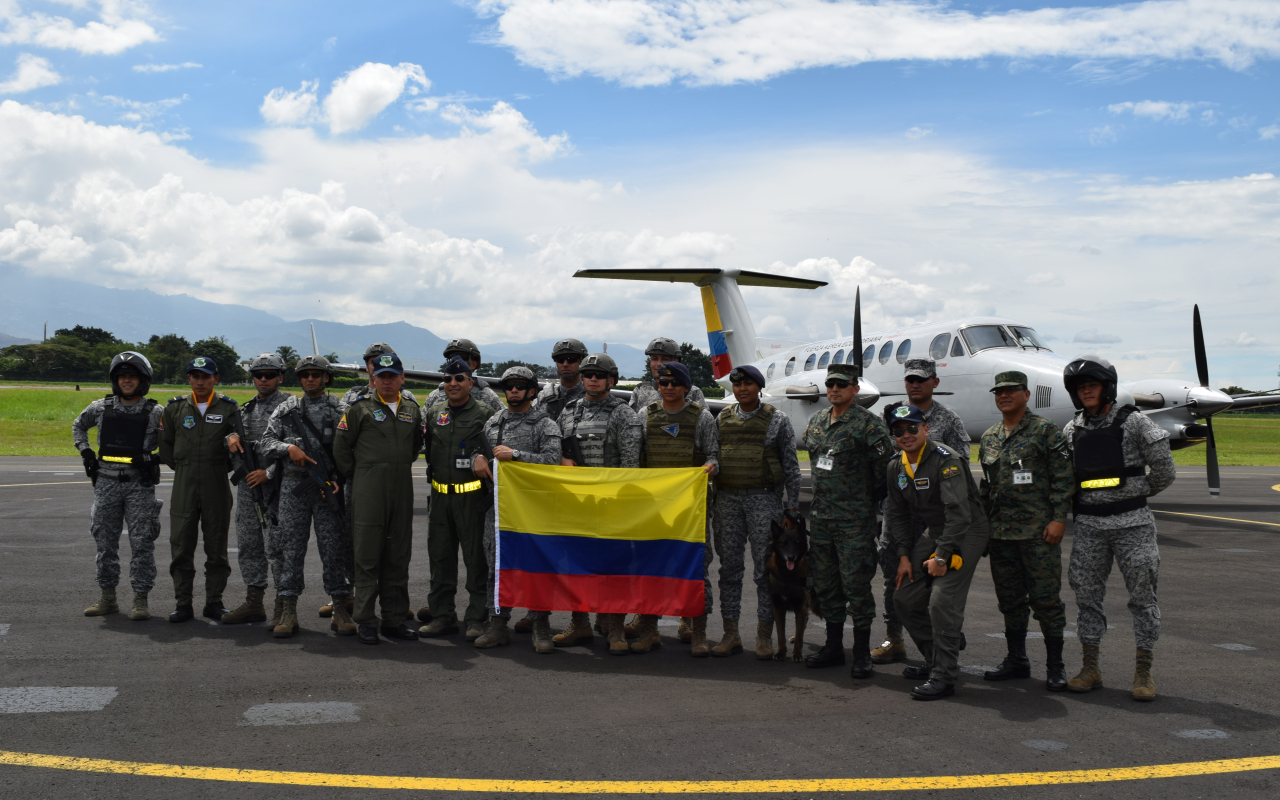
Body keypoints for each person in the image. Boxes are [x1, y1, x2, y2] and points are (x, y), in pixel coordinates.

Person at [1062, 355, 1175, 702]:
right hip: (1090, 528)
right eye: (1081, 388)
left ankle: (1143, 671)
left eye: (1092, 386)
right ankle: (1090, 668)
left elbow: (1164, 470)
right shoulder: (1071, 429)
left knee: (1142, 597)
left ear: (1107, 387)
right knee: (1086, 597)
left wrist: (1133, 493)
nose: (1086, 392)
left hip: (1133, 525)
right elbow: (1066, 478)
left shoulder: (1135, 423)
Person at [977, 371, 1075, 691]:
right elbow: (985, 487)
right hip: (1001, 535)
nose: (1004, 395)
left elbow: (1063, 478)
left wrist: (1059, 518)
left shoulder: (1045, 431)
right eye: (999, 391)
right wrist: (982, 529)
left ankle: (1055, 666)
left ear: (1026, 394)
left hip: (1038, 533)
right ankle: (1017, 659)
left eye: (1011, 390)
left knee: (1046, 601)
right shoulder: (990, 436)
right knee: (1010, 601)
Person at [887, 406, 991, 700]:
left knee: (942, 600)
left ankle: (944, 676)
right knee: (904, 598)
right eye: (898, 431)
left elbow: (959, 515)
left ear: (925, 429)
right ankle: (936, 658)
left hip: (968, 530)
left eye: (912, 428)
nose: (905, 435)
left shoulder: (947, 460)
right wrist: (905, 557)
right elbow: (897, 514)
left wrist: (942, 556)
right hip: (935, 530)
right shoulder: (896, 466)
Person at [874, 358, 970, 665]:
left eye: (922, 379)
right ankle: (894, 638)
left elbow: (962, 462)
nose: (915, 384)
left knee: (936, 580)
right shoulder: (891, 416)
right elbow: (882, 459)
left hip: (936, 517)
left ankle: (942, 641)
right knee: (895, 576)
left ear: (935, 382)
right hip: (899, 512)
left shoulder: (949, 419)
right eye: (910, 380)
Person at [802, 361, 893, 677]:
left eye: (842, 384)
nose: (835, 390)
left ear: (855, 388)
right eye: (831, 385)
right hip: (822, 520)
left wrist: (862, 503)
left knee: (856, 587)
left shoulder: (869, 425)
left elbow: (884, 472)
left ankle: (861, 654)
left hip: (854, 521)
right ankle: (833, 647)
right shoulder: (815, 422)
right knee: (827, 586)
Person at [258, 356, 353, 638]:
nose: (310, 379)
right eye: (305, 375)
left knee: (333, 549)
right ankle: (288, 610)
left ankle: (340, 608)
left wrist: (339, 480)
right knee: (290, 550)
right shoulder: (286, 409)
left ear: (326, 378)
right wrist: (288, 449)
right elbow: (265, 442)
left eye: (316, 374)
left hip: (327, 489)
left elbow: (351, 450)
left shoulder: (340, 410)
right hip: (293, 488)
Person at [470, 366, 562, 653]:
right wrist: (477, 459)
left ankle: (540, 626)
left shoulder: (544, 424)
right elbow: (478, 449)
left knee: (534, 567)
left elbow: (552, 461)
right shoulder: (494, 422)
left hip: (533, 509)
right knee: (496, 566)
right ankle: (498, 625)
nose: (513, 390)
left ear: (532, 391)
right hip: (498, 510)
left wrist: (517, 455)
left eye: (520, 386)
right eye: (509, 386)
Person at [554, 352, 641, 654]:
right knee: (576, 566)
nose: (592, 379)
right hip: (578, 503)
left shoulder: (623, 413)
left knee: (613, 568)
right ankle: (580, 624)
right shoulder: (568, 411)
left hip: (612, 504)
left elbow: (631, 464)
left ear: (611, 380)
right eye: (588, 374)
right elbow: (560, 453)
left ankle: (615, 628)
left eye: (599, 375)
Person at [333, 352, 423, 645]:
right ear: (373, 379)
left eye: (392, 376)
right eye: (381, 377)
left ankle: (394, 619)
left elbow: (415, 447)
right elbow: (342, 448)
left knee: (398, 555)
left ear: (402, 378)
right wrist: (360, 476)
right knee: (367, 556)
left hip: (401, 487)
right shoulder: (360, 409)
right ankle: (366, 620)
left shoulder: (412, 408)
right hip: (368, 488)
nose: (386, 381)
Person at [711, 365, 801, 659]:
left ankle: (764, 636)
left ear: (758, 387)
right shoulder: (721, 418)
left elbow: (791, 466)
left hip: (764, 501)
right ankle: (730, 634)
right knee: (730, 570)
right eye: (737, 385)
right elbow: (712, 457)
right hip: (727, 501)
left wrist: (792, 507)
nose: (742, 389)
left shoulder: (777, 419)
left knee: (766, 571)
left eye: (748, 384)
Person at [634, 361, 718, 657]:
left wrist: (710, 467)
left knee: (695, 567)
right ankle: (649, 631)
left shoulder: (702, 417)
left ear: (686, 387)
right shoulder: (645, 415)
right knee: (650, 567)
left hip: (690, 509)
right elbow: (637, 458)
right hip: (654, 508)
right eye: (663, 383)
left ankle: (698, 632)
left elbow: (713, 455)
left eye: (674, 383)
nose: (668, 388)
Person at [73, 351, 164, 621]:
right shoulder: (100, 407)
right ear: (115, 380)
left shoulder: (156, 412)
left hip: (139, 485)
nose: (127, 381)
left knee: (142, 543)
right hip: (106, 484)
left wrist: (153, 457)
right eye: (122, 376)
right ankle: (107, 597)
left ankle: (140, 599)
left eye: (132, 376)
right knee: (105, 543)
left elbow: (173, 443)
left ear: (143, 380)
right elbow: (78, 426)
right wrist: (86, 452)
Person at [419, 357, 497, 642]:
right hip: (440, 497)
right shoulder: (434, 413)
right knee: (440, 560)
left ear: (470, 383)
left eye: (459, 379)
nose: (453, 384)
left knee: (476, 561)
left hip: (472, 499)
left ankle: (477, 619)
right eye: (448, 380)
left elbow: (493, 453)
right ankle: (442, 617)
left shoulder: (486, 413)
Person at [159, 356, 239, 623]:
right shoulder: (174, 409)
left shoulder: (229, 408)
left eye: (206, 376)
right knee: (181, 545)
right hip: (184, 483)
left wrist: (215, 466)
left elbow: (237, 449)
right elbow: (166, 446)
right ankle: (183, 604)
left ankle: (214, 602)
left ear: (216, 378)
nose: (201, 381)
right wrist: (185, 466)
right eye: (195, 376)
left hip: (216, 482)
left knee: (216, 547)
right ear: (189, 379)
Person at [221, 353, 290, 627]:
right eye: (258, 374)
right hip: (249, 487)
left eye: (269, 374)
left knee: (278, 548)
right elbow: (231, 445)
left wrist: (269, 473)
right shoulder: (246, 410)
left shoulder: (289, 407)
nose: (263, 379)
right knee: (249, 544)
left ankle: (283, 604)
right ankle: (254, 601)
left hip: (279, 488)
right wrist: (230, 437)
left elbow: (302, 449)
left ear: (280, 377)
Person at [421, 338, 504, 413]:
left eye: (462, 357)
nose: (456, 361)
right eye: (451, 357)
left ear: (474, 364)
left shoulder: (487, 396)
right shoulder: (435, 396)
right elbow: (423, 426)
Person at [629, 337, 706, 412]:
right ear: (650, 362)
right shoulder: (640, 391)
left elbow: (704, 420)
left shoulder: (693, 392)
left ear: (676, 361)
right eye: (655, 359)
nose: (659, 364)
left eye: (665, 359)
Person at [534, 338, 588, 422]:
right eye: (561, 360)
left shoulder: (591, 396)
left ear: (581, 362)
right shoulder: (544, 397)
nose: (565, 364)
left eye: (571, 359)